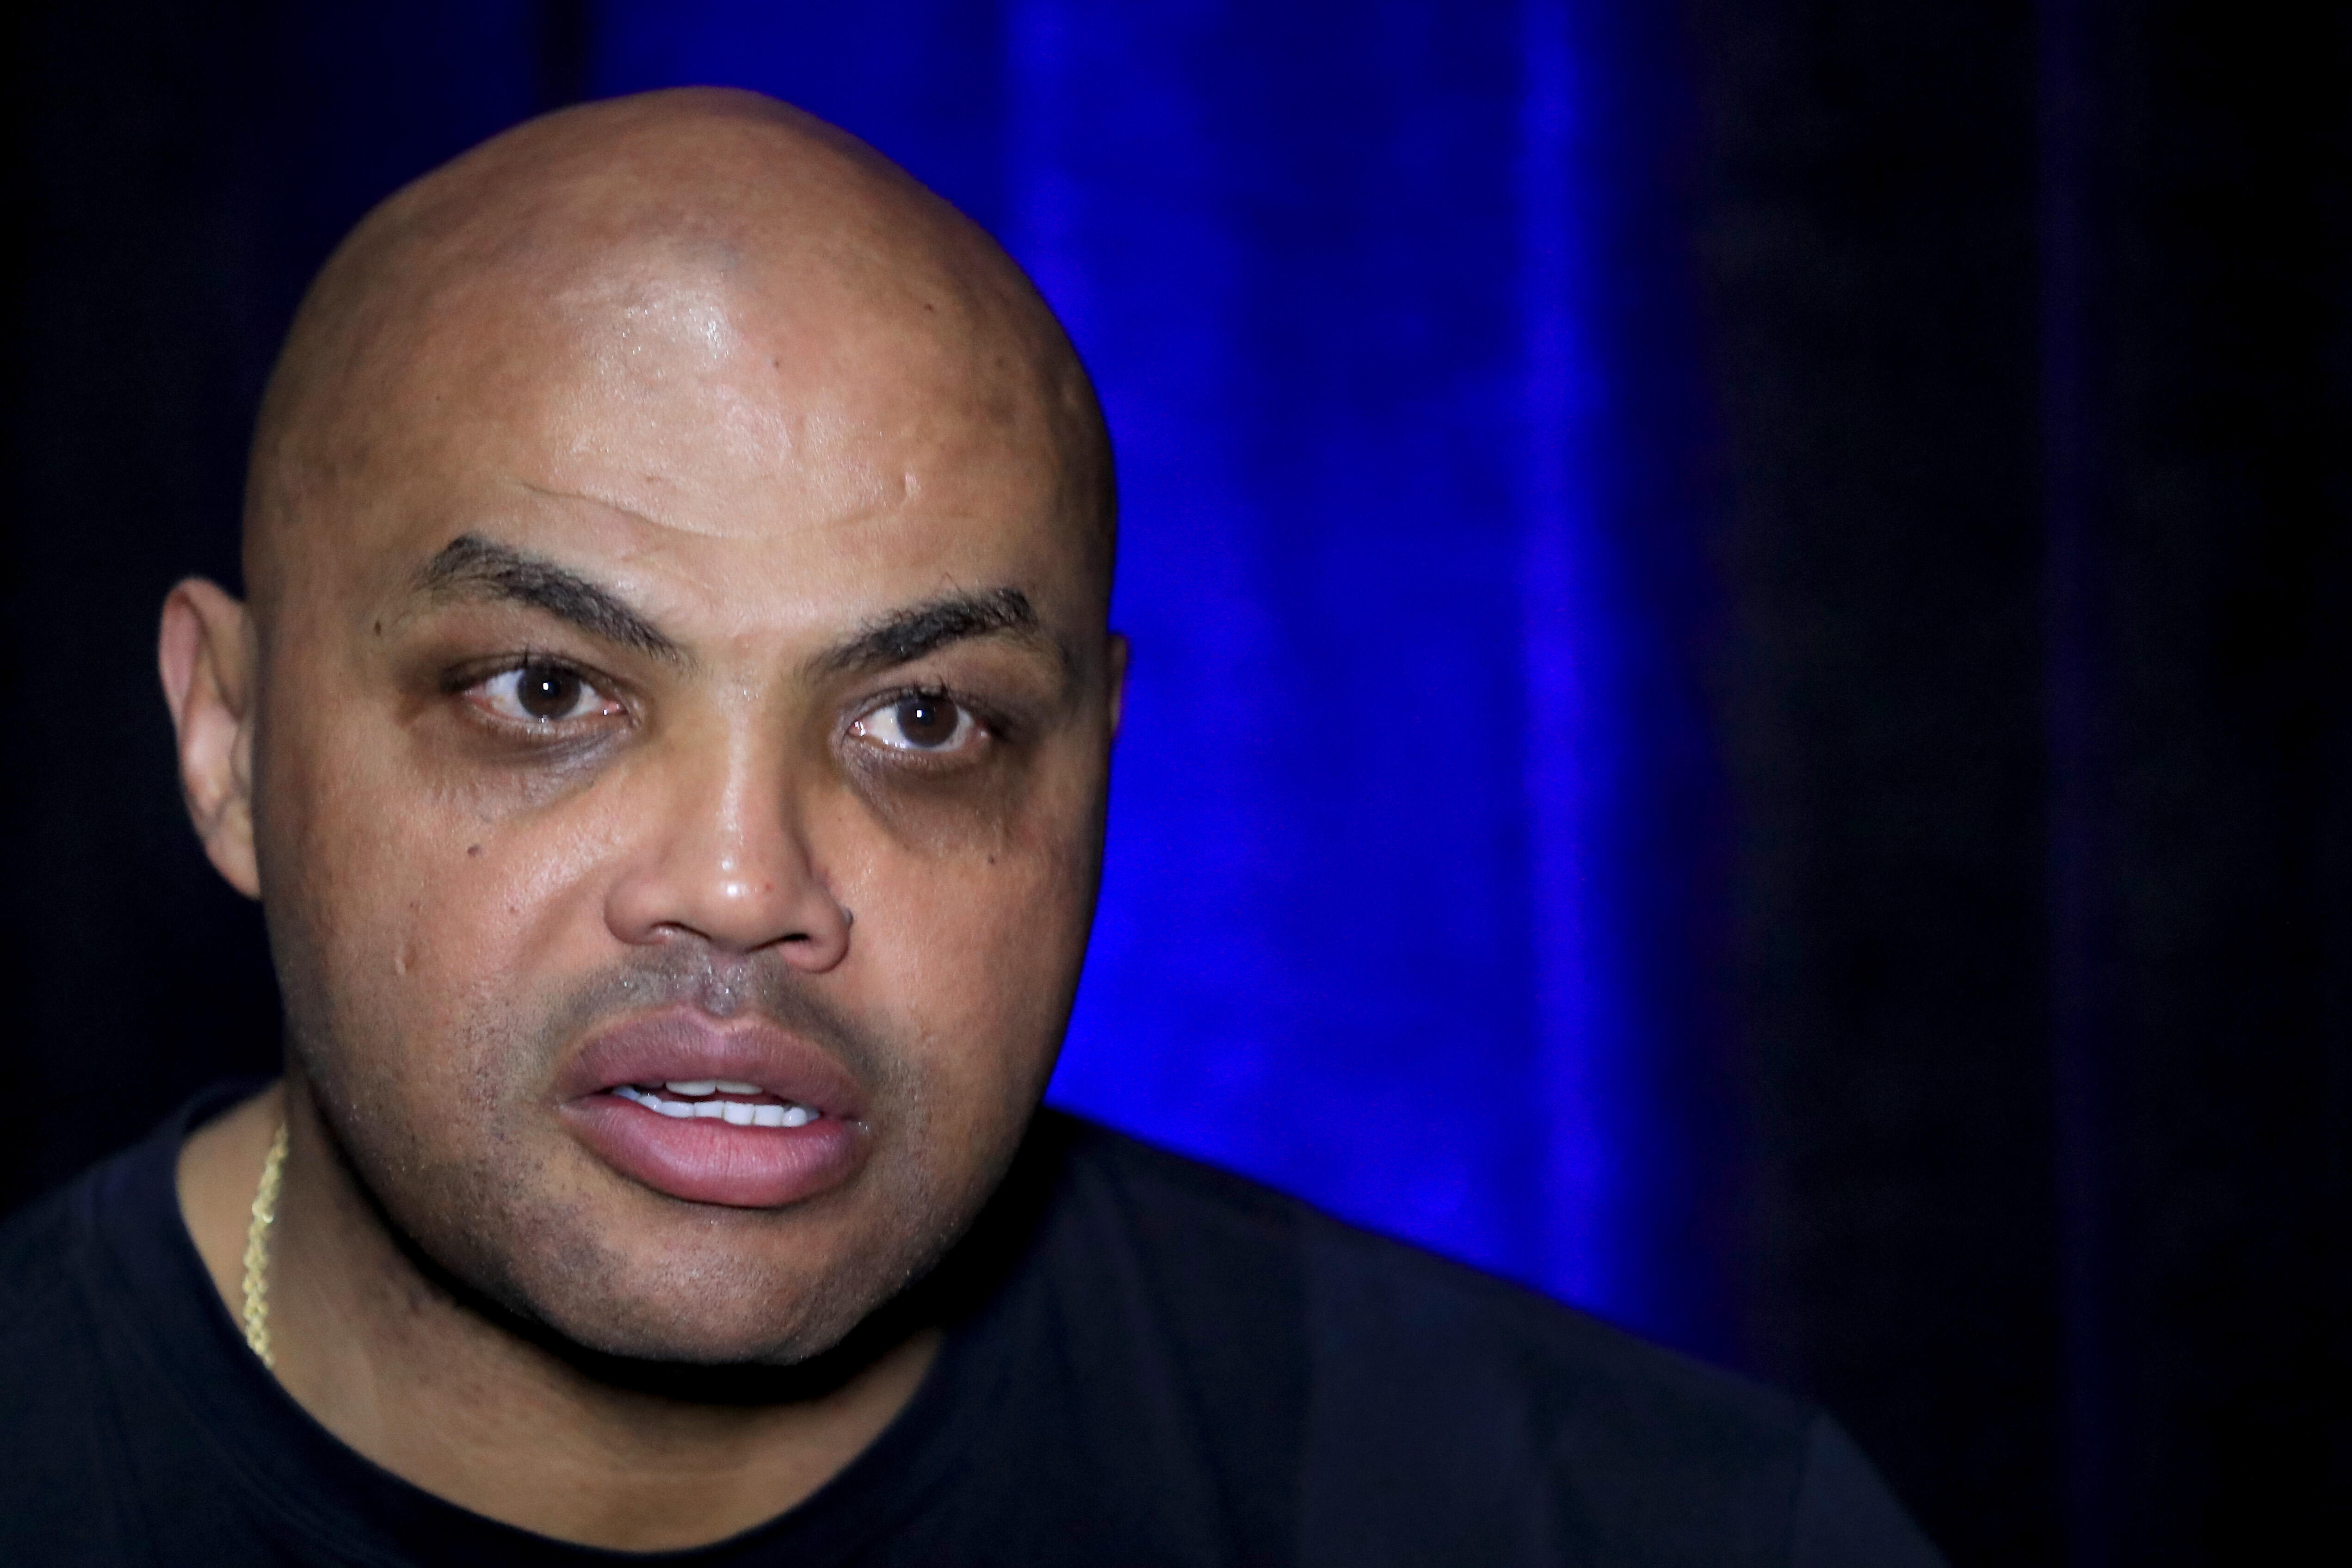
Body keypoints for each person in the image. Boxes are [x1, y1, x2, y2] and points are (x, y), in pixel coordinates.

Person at [0, 87, 1943, 1565]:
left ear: (1098, 771)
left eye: (923, 719)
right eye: (547, 693)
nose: (749, 885)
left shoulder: (1647, 1525)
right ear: (231, 740)